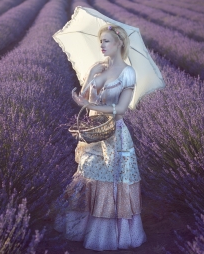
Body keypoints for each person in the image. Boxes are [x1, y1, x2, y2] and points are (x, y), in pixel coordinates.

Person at [54, 24, 147, 251]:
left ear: (119, 43)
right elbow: (83, 101)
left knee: (111, 182)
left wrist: (91, 104)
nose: (102, 46)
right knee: (87, 176)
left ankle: (110, 236)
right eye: (101, 42)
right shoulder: (99, 69)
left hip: (114, 135)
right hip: (94, 132)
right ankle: (84, 227)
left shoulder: (128, 72)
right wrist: (90, 78)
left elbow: (122, 109)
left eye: (106, 41)